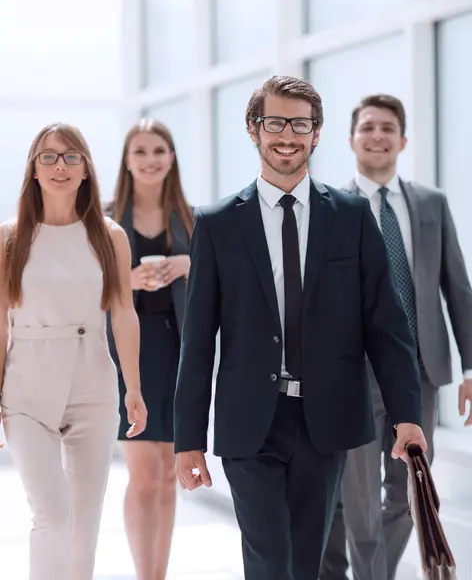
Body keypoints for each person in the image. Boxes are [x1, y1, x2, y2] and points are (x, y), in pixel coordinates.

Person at [173, 75, 427, 580]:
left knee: (305, 561)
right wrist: (188, 440)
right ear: (253, 129)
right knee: (268, 560)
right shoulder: (218, 222)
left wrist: (407, 415)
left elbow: (386, 325)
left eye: (300, 123)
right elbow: (198, 340)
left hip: (325, 419)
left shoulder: (352, 217)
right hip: (249, 421)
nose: (286, 135)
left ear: (316, 132)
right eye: (275, 122)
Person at [320, 94, 472, 580]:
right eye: (367, 127)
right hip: (353, 371)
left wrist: (470, 367)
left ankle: (372, 575)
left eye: (387, 127)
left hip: (419, 368)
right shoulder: (330, 208)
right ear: (351, 141)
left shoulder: (431, 203)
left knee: (411, 492)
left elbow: (458, 289)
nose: (378, 135)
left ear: (403, 140)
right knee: (360, 499)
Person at [0, 123, 147, 580]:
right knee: (54, 518)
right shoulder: (9, 237)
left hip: (92, 385)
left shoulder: (109, 236)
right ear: (33, 169)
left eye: (70, 157)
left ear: (85, 169)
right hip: (26, 389)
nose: (59, 166)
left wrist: (134, 388)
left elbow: (123, 312)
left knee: (84, 528)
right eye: (48, 157)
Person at [105, 118, 193, 580]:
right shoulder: (103, 218)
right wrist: (126, 281)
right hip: (127, 355)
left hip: (180, 352)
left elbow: (229, 282)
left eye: (159, 150)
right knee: (144, 475)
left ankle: (158, 574)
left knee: (169, 475)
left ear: (171, 157)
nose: (150, 159)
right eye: (140, 151)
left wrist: (188, 264)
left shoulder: (191, 218)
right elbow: (83, 287)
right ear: (126, 160)